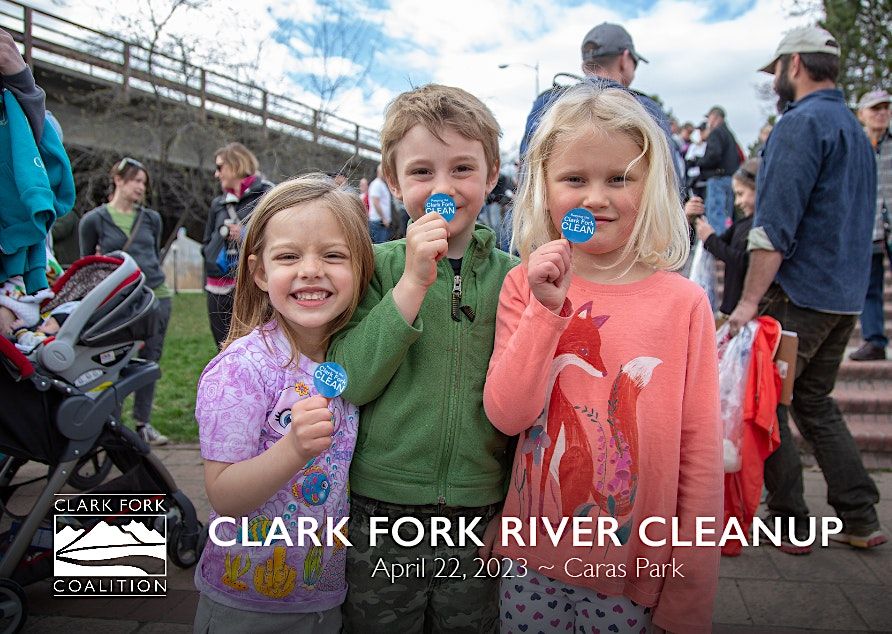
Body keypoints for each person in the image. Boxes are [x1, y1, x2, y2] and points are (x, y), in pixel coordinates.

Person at [484, 83, 721, 634]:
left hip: (636, 573)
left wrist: (689, 594)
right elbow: (507, 414)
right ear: (542, 187)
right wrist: (547, 312)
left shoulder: (685, 305)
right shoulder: (524, 285)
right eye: (574, 179)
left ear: (651, 184)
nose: (596, 196)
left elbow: (700, 459)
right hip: (531, 564)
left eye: (619, 178)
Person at [327, 84, 516, 632]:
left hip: (478, 514)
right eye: (420, 172)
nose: (442, 189)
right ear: (392, 179)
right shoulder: (377, 267)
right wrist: (411, 283)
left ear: (491, 173)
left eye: (462, 169)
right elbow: (349, 379)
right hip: (381, 513)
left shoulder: (512, 278)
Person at [728, 26, 887, 552]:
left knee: (769, 407)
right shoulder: (853, 129)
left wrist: (749, 302)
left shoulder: (801, 125)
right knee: (814, 402)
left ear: (793, 64)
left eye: (776, 69)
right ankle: (860, 516)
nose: (776, 79)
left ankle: (790, 521)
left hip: (799, 295)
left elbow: (773, 227)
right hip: (842, 295)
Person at [193, 175, 374, 632]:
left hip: (322, 594)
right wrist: (291, 450)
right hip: (245, 602)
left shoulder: (353, 360)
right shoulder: (243, 369)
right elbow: (224, 494)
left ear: (362, 269)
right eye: (288, 256)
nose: (311, 270)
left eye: (333, 255)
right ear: (259, 272)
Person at [520, 23, 684, 190]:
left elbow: (526, 180)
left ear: (585, 65)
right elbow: (671, 183)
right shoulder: (645, 108)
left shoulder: (547, 103)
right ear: (625, 60)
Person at [79, 158, 171, 446]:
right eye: (136, 180)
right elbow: (89, 266)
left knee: (149, 362)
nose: (141, 187)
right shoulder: (94, 220)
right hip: (117, 304)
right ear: (118, 179)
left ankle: (143, 423)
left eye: (144, 183)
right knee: (115, 362)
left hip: (155, 297)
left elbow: (152, 255)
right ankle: (112, 425)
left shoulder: (151, 219)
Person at [201, 142, 274, 347]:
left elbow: (281, 237)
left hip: (252, 286)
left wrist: (245, 234)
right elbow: (206, 241)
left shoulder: (266, 194)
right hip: (217, 286)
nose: (217, 174)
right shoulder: (218, 203)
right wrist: (210, 256)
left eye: (220, 167)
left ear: (235, 164)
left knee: (256, 348)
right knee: (223, 347)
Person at [685, 157, 761, 315]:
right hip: (730, 306)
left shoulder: (760, 227)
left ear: (758, 189)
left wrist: (710, 238)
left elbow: (743, 260)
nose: (737, 202)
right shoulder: (742, 223)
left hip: (746, 310)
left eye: (741, 194)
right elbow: (717, 245)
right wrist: (694, 219)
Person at [850, 89, 891, 361]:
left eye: (886, 108)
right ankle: (874, 339)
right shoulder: (854, 145)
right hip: (868, 226)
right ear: (861, 114)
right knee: (869, 286)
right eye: (875, 108)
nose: (881, 113)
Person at [692, 106, 742, 236]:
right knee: (727, 217)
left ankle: (718, 248)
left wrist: (699, 161)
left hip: (718, 178)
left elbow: (713, 155)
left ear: (714, 117)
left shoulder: (716, 132)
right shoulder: (729, 134)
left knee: (716, 216)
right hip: (729, 178)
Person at [366, 163, 391, 243]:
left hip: (380, 221)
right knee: (380, 247)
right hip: (378, 221)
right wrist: (383, 218)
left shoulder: (382, 184)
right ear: (379, 172)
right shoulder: (376, 184)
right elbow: (375, 202)